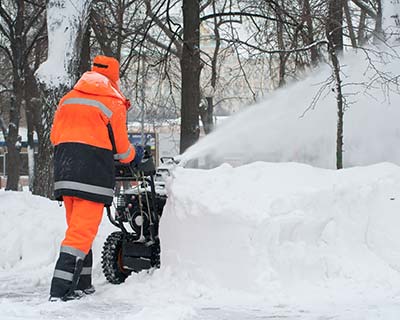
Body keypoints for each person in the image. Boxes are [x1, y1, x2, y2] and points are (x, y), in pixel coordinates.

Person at [49, 55, 143, 301]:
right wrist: (136, 154)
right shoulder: (112, 102)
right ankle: (60, 291)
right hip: (90, 175)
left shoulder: (68, 99)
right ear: (114, 76)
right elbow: (122, 151)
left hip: (64, 172)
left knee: (79, 230)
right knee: (81, 233)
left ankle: (82, 283)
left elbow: (54, 136)